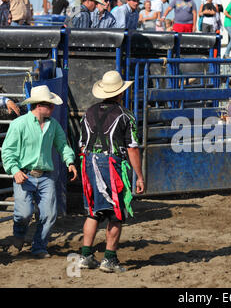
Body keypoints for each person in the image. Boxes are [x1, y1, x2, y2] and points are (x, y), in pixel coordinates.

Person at [77, 70, 144, 273]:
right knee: (116, 213)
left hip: (88, 162)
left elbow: (81, 144)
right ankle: (109, 259)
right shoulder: (125, 115)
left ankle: (86, 255)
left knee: (93, 211)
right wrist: (139, 176)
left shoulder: (88, 112)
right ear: (121, 92)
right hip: (112, 164)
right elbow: (132, 148)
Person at [1, 85, 77, 258]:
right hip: (24, 174)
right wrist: (15, 170)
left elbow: (62, 145)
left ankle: (39, 247)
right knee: (24, 214)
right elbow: (7, 151)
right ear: (39, 105)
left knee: (50, 214)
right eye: (50, 105)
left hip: (46, 176)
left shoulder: (53, 125)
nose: (52, 107)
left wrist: (70, 161)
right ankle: (19, 234)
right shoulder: (19, 124)